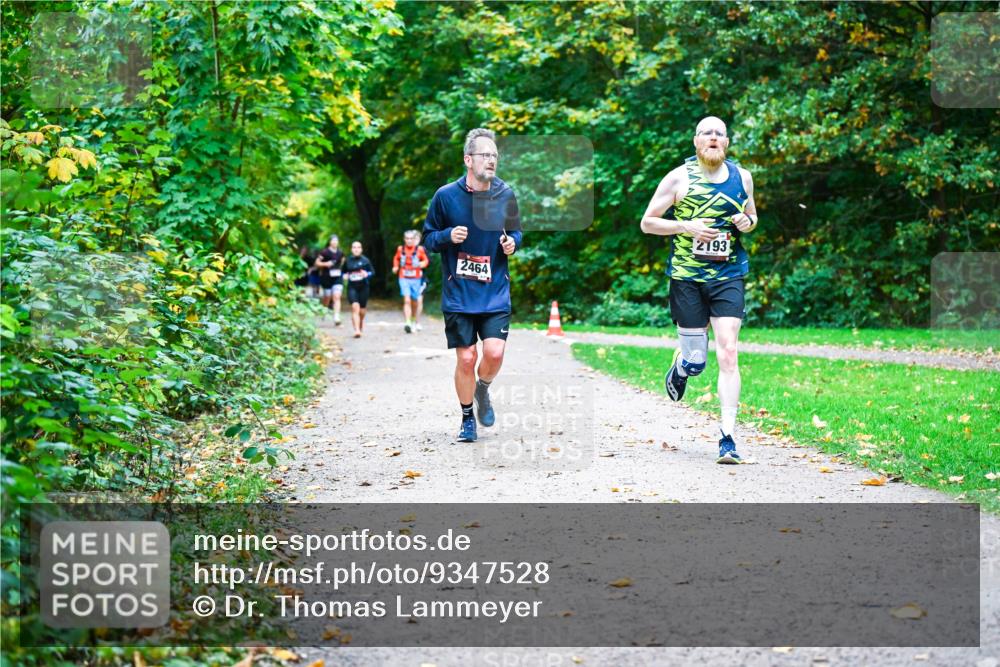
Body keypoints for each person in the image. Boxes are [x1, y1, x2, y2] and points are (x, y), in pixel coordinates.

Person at [639, 116, 759, 464]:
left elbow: (752, 219)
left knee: (729, 351)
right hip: (687, 278)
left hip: (728, 274)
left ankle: (728, 437)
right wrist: (685, 226)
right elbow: (648, 222)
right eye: (706, 133)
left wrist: (745, 222)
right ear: (696, 141)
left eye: (719, 134)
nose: (713, 138)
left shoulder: (742, 178)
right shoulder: (678, 177)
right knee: (697, 360)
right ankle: (682, 365)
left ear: (726, 143)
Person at [422, 128, 522, 443]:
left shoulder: (505, 194)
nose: (491, 160)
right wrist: (446, 236)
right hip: (459, 292)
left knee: (493, 354)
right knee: (466, 358)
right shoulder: (445, 196)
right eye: (484, 155)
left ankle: (482, 390)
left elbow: (517, 232)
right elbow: (428, 239)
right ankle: (467, 418)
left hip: (493, 290)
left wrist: (511, 244)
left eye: (494, 155)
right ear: (468, 159)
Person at [392, 229, 430, 333]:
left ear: (414, 240)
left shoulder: (420, 250)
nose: (409, 241)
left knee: (415, 301)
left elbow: (426, 260)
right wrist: (395, 267)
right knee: (407, 300)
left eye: (411, 239)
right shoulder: (400, 249)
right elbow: (396, 258)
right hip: (403, 278)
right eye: (407, 238)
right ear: (404, 239)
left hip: (416, 279)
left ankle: (413, 319)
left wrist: (423, 264)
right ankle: (407, 322)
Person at [342, 241, 375, 338]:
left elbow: (372, 272)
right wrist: (345, 276)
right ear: (351, 249)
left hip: (364, 287)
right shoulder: (348, 261)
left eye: (358, 247)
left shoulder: (365, 261)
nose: (356, 249)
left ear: (361, 249)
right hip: (352, 287)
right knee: (355, 307)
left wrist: (367, 274)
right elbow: (343, 272)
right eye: (354, 247)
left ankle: (360, 323)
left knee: (362, 310)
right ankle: (356, 330)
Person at [315, 234, 346, 325]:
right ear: (329, 242)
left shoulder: (340, 252)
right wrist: (326, 264)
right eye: (333, 240)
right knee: (327, 297)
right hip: (326, 277)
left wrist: (341, 268)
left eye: (336, 241)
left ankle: (336, 316)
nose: (335, 242)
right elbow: (317, 263)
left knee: (337, 296)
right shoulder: (324, 252)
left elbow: (343, 261)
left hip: (337, 277)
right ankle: (324, 310)